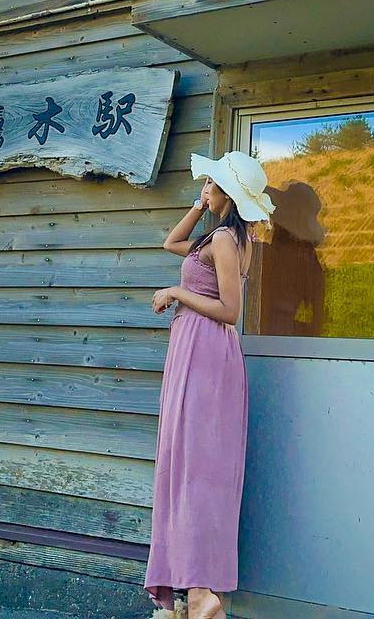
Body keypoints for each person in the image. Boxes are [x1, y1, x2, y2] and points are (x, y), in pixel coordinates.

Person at [144, 150, 276, 619]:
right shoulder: (223, 236)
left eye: (213, 184)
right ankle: (195, 590)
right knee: (191, 463)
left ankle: (200, 592)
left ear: (230, 195)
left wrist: (177, 293)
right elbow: (170, 242)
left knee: (195, 465)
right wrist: (199, 205)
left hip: (205, 351)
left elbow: (230, 311)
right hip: (199, 351)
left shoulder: (225, 240)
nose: (206, 187)